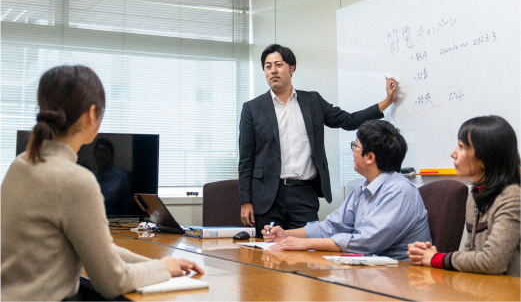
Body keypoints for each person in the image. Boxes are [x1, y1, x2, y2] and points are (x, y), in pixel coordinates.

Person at [1, 65, 203, 301]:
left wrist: (160, 264)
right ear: (91, 114)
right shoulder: (75, 181)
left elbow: (99, 250)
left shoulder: (22, 164)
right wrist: (161, 269)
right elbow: (111, 282)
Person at [239, 44, 399, 237]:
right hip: (268, 197)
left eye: (278, 64)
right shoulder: (252, 109)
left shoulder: (312, 102)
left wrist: (386, 102)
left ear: (292, 68)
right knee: (268, 255)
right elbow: (246, 159)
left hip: (304, 194)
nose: (273, 70)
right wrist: (245, 201)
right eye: (267, 66)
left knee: (307, 254)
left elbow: (349, 120)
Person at [262, 120, 431, 260]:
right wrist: (285, 235)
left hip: (401, 276)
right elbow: (332, 226)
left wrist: (306, 243)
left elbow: (366, 242)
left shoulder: (400, 192)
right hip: (370, 270)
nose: (353, 152)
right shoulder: (362, 188)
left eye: (355, 146)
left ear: (370, 157)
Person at [408, 115, 520, 277]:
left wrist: (436, 258)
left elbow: (493, 262)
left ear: (485, 158)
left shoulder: (513, 197)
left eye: (461, 146)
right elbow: (470, 251)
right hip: (482, 289)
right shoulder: (475, 194)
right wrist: (428, 256)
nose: (453, 153)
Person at [93, 138, 132, 216]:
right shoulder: (90, 176)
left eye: (105, 150)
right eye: (98, 151)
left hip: (117, 221)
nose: (101, 154)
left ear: (112, 155)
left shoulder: (120, 178)